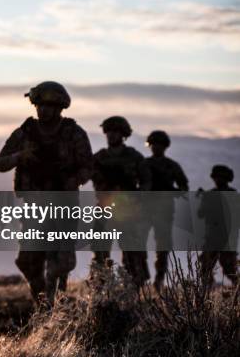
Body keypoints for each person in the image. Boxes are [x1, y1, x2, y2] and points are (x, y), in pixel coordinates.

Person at [0, 81, 93, 305]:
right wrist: (21, 156)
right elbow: (0, 163)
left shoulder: (73, 133)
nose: (43, 110)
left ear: (59, 108)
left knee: (59, 261)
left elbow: (88, 166)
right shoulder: (25, 133)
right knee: (28, 262)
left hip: (63, 205)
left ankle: (55, 306)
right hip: (34, 206)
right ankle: (43, 305)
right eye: (39, 105)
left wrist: (71, 180)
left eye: (49, 105)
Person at [91, 116, 152, 287]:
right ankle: (100, 292)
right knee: (100, 254)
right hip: (105, 208)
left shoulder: (134, 157)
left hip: (128, 210)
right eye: (109, 132)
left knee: (133, 254)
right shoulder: (99, 158)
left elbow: (146, 181)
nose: (111, 135)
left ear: (123, 134)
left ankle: (134, 291)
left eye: (115, 132)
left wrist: (137, 198)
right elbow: (83, 174)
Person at [144, 130, 189, 291]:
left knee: (162, 246)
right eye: (154, 144)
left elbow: (183, 188)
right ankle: (141, 278)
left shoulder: (172, 166)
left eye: (159, 144)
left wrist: (171, 190)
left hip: (164, 210)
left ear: (165, 146)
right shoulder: (144, 164)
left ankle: (159, 280)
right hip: (145, 210)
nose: (156, 147)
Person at [198, 164, 238, 287]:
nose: (217, 180)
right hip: (211, 237)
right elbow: (201, 214)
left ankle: (236, 293)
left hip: (226, 237)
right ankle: (206, 295)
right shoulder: (210, 194)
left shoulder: (233, 195)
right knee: (205, 268)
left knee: (229, 269)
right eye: (216, 177)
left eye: (220, 177)